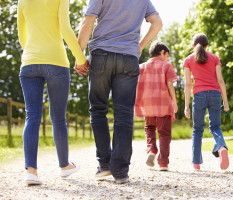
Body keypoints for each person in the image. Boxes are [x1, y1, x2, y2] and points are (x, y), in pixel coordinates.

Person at [74, 0, 162, 184]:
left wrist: (79, 55)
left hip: (102, 55)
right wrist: (140, 46)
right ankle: (121, 171)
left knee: (98, 110)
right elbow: (157, 23)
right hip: (129, 58)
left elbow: (88, 21)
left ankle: (104, 165)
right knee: (124, 114)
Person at [17, 0, 89, 185]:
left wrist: (33, 53)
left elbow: (22, 36)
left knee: (32, 116)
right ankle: (64, 167)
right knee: (58, 118)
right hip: (56, 61)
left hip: (30, 62)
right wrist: (80, 58)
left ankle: (31, 172)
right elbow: (65, 29)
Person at [183, 33, 230, 171]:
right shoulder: (215, 58)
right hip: (215, 94)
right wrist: (225, 102)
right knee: (215, 127)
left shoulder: (188, 60)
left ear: (193, 46)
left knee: (197, 129)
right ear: (207, 45)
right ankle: (221, 146)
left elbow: (187, 84)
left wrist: (186, 105)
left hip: (199, 95)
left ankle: (196, 163)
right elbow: (220, 80)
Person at [134, 41, 178, 171]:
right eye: (167, 55)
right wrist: (174, 101)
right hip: (163, 103)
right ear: (162, 52)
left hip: (147, 103)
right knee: (164, 132)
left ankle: (151, 149)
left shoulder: (141, 67)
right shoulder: (166, 66)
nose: (167, 58)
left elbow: (136, 85)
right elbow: (170, 84)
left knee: (150, 127)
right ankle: (163, 163)